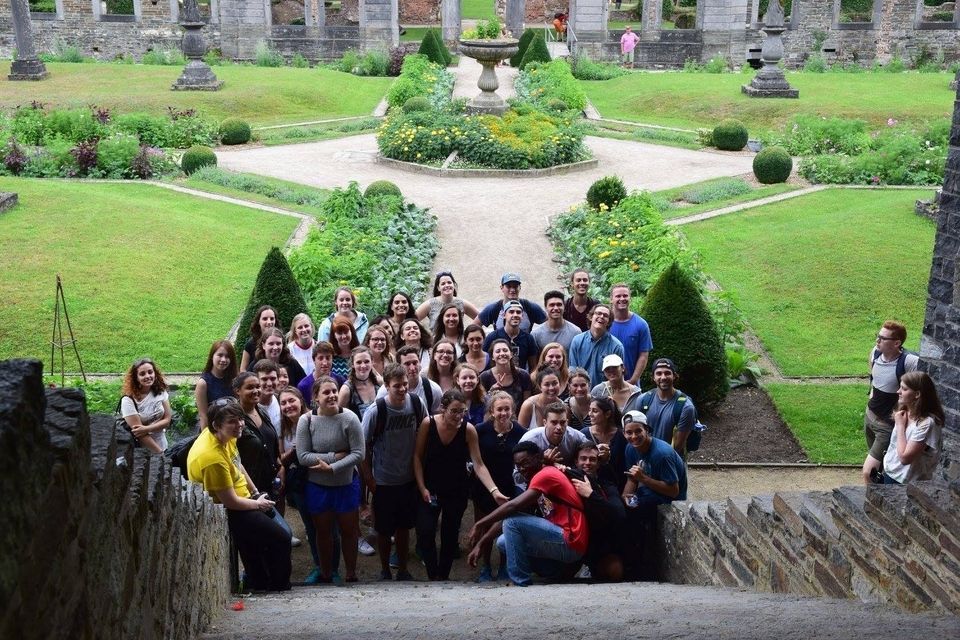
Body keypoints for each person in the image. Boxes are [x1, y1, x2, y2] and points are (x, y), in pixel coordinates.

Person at [187, 397, 291, 592]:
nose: (240, 424)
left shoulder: (224, 436)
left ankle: (260, 585)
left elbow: (237, 464)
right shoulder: (211, 457)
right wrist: (258, 504)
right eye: (232, 422)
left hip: (245, 498)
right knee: (281, 538)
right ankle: (279, 587)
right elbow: (230, 502)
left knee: (258, 544)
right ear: (216, 425)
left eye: (240, 419)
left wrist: (255, 492)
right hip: (232, 509)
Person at [414, 390, 507, 580]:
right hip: (430, 488)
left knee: (450, 535)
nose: (458, 416)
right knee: (425, 531)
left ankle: (443, 577)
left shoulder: (468, 429)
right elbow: (417, 456)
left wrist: (494, 490)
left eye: (462, 411)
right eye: (454, 411)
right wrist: (422, 487)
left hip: (456, 489)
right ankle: (433, 575)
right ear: (443, 409)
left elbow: (478, 463)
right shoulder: (428, 423)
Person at [467, 441, 588, 587]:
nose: (522, 469)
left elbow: (512, 506)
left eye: (525, 462)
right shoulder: (536, 481)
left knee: (512, 523)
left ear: (538, 458)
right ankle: (554, 572)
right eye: (518, 466)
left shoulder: (545, 475)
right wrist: (482, 542)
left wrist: (480, 523)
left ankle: (520, 579)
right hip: (563, 542)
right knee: (503, 542)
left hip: (571, 539)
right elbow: (515, 512)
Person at [361, 363, 427, 581]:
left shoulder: (416, 404)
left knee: (404, 526)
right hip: (384, 480)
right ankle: (384, 569)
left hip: (408, 478)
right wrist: (369, 479)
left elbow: (425, 433)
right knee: (383, 528)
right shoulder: (376, 411)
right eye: (397, 386)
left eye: (405, 384)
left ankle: (403, 568)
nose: (402, 389)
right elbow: (363, 447)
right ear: (387, 386)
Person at [297, 376, 365, 583]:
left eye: (334, 391)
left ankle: (351, 572)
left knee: (349, 531)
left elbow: (359, 453)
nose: (332, 395)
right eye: (326, 392)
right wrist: (335, 456)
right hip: (318, 487)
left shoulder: (350, 418)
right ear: (316, 397)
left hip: (346, 485)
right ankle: (326, 572)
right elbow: (303, 456)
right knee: (323, 532)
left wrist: (333, 467)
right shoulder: (306, 421)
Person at [621, 409, 687, 579]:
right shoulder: (630, 449)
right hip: (648, 491)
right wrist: (625, 499)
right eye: (629, 432)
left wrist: (644, 478)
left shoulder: (661, 454)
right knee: (622, 511)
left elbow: (674, 491)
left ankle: (640, 566)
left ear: (647, 431)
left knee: (636, 515)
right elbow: (632, 479)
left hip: (667, 498)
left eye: (638, 431)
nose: (634, 436)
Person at [472, 391, 526, 581]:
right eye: (499, 409)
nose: (503, 413)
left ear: (512, 411)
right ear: (492, 411)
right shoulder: (480, 430)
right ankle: (485, 566)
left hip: (509, 487)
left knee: (506, 527)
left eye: (507, 409)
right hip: (484, 488)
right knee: (484, 526)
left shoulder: (521, 433)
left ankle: (504, 566)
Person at [862, 320, 920, 484]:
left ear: (897, 343)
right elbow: (873, 379)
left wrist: (907, 417)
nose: (877, 341)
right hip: (869, 417)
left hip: (886, 427)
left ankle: (872, 506)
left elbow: (920, 391)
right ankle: (881, 498)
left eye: (882, 338)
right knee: (879, 468)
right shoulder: (875, 353)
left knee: (868, 472)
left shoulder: (909, 362)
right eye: (878, 336)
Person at [278, 386, 323, 583]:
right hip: (299, 483)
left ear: (300, 401)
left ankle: (331, 567)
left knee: (327, 526)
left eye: (291, 401)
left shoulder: (315, 420)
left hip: (319, 479)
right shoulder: (282, 426)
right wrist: (296, 449)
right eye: (283, 403)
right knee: (311, 527)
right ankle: (320, 566)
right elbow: (280, 458)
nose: (288, 406)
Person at [882, 371, 944, 485]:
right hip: (890, 471)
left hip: (906, 480)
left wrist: (900, 426)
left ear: (917, 394)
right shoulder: (905, 410)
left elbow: (905, 459)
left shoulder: (927, 423)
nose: (898, 391)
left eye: (904, 389)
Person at [624, 358, 695, 456]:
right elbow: (635, 433)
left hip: (671, 459)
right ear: (653, 377)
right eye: (659, 373)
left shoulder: (685, 407)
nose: (663, 377)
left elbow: (678, 446)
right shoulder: (643, 400)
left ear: (674, 376)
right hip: (645, 457)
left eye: (667, 373)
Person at [233, 372, 281, 501]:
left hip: (271, 481)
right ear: (238, 391)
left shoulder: (262, 411)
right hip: (251, 486)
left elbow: (271, 442)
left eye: (258, 386)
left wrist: (280, 468)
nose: (256, 391)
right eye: (250, 387)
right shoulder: (233, 420)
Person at [120, 357, 172, 453]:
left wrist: (147, 428)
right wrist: (160, 453)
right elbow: (139, 433)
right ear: (136, 378)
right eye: (142, 374)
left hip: (163, 444)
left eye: (150, 372)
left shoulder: (160, 391)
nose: (148, 376)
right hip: (142, 451)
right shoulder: (128, 401)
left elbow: (167, 420)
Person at [568, 303, 625, 390]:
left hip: (605, 396)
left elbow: (618, 377)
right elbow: (573, 371)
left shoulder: (616, 346)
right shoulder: (577, 341)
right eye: (598, 313)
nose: (601, 316)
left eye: (605, 315)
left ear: (609, 322)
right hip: (580, 393)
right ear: (591, 317)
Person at [518, 401, 588, 468]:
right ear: (545, 423)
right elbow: (518, 475)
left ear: (567, 422)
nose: (559, 427)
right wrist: (542, 463)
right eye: (554, 422)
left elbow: (591, 450)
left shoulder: (575, 436)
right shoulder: (530, 439)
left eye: (562, 422)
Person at [609, 284, 653, 385]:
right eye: (618, 296)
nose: (622, 299)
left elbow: (643, 355)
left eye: (625, 296)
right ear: (611, 299)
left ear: (630, 298)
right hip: (606, 383)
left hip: (631, 385)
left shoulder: (641, 324)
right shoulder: (605, 323)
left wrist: (633, 380)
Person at [379, 345, 443, 414]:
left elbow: (437, 419)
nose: (412, 368)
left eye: (415, 363)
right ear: (398, 365)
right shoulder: (385, 391)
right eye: (407, 364)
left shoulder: (433, 389)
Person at [475, 272, 546, 333]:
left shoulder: (530, 307)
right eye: (508, 286)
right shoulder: (493, 308)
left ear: (520, 288)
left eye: (515, 286)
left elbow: (550, 323)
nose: (512, 290)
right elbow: (474, 326)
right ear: (501, 288)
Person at [583, 397, 628, 489]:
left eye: (595, 411)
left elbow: (625, 465)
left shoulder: (621, 435)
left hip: (618, 485)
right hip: (591, 485)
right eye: (589, 410)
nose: (590, 414)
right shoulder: (583, 434)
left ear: (607, 414)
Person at [482, 300, 541, 371]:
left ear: (522, 316)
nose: (515, 315)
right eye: (511, 312)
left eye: (518, 312)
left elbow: (533, 367)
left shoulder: (528, 338)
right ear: (504, 315)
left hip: (520, 378)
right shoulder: (492, 337)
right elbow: (485, 362)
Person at [480, 339, 533, 411]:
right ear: (492, 357)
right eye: (498, 351)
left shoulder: (523, 375)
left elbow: (527, 404)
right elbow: (482, 405)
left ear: (511, 354)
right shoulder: (485, 377)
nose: (502, 353)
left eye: (505, 350)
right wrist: (491, 392)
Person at [195, 340, 238, 430]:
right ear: (212, 356)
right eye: (220, 355)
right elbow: (203, 416)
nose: (223, 360)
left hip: (233, 429)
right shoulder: (203, 383)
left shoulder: (234, 379)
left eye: (227, 356)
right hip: (214, 430)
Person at [338, 346, 382, 420]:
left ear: (372, 362)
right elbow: (339, 418)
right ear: (352, 364)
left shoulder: (379, 383)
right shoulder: (347, 390)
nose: (363, 366)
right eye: (358, 362)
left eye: (366, 361)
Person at [240, 305, 277, 372]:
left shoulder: (281, 342)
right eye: (265, 319)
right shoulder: (250, 344)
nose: (269, 322)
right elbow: (243, 369)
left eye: (272, 319)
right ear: (258, 321)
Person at [253, 359, 282, 436]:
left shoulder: (282, 401)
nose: (269, 383)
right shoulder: (250, 407)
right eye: (264, 379)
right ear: (256, 381)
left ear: (278, 380)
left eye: (273, 379)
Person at [455, 363, 487, 427]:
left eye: (472, 377)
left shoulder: (486, 400)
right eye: (464, 378)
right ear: (458, 380)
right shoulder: (451, 401)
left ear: (477, 380)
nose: (468, 381)